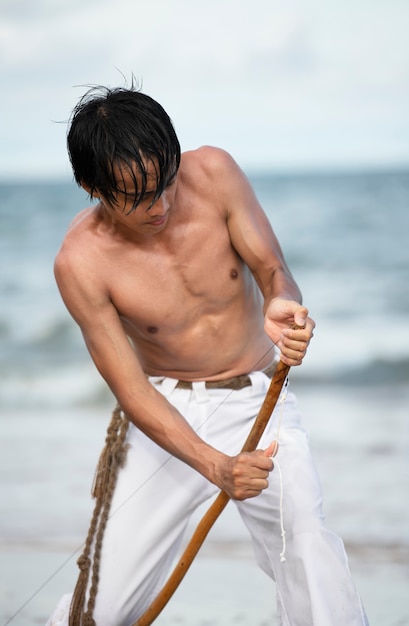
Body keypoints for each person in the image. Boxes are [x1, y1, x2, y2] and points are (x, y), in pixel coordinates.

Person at [46, 84, 369, 626]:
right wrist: (214, 465)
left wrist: (282, 301)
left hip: (258, 400)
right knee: (104, 601)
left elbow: (272, 268)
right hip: (165, 421)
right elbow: (130, 389)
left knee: (310, 552)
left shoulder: (215, 172)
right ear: (90, 186)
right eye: (137, 195)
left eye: (166, 182)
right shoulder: (80, 262)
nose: (162, 205)